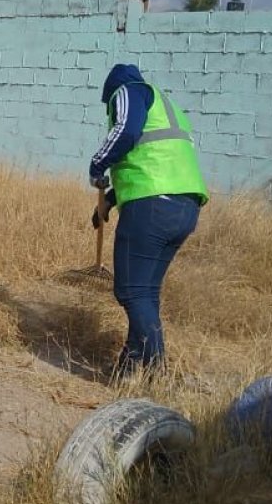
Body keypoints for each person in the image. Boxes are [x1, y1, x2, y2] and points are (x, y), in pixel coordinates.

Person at [88, 64, 208, 377]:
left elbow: (125, 132)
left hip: (153, 205)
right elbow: (149, 158)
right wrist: (111, 200)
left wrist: (97, 165)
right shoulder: (166, 106)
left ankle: (156, 372)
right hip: (184, 206)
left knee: (129, 292)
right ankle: (128, 368)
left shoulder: (128, 91)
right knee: (145, 292)